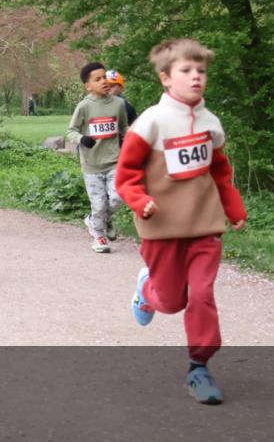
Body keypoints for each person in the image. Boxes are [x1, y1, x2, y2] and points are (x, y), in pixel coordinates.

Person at [117, 38, 247, 405]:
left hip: (204, 226)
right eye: (186, 71)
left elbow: (221, 172)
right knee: (172, 302)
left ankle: (199, 367)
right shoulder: (151, 123)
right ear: (165, 78)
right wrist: (140, 201)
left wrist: (234, 209)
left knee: (202, 294)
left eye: (201, 71)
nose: (196, 78)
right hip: (161, 227)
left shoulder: (211, 123)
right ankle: (148, 291)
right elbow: (126, 174)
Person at [67, 62, 129, 253]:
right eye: (98, 79)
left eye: (105, 77)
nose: (104, 81)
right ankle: (99, 237)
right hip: (92, 164)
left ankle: (97, 220)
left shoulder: (118, 104)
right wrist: (82, 139)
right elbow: (71, 131)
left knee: (118, 197)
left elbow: (124, 127)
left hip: (114, 161)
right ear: (88, 86)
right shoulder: (84, 106)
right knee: (99, 203)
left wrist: (131, 139)